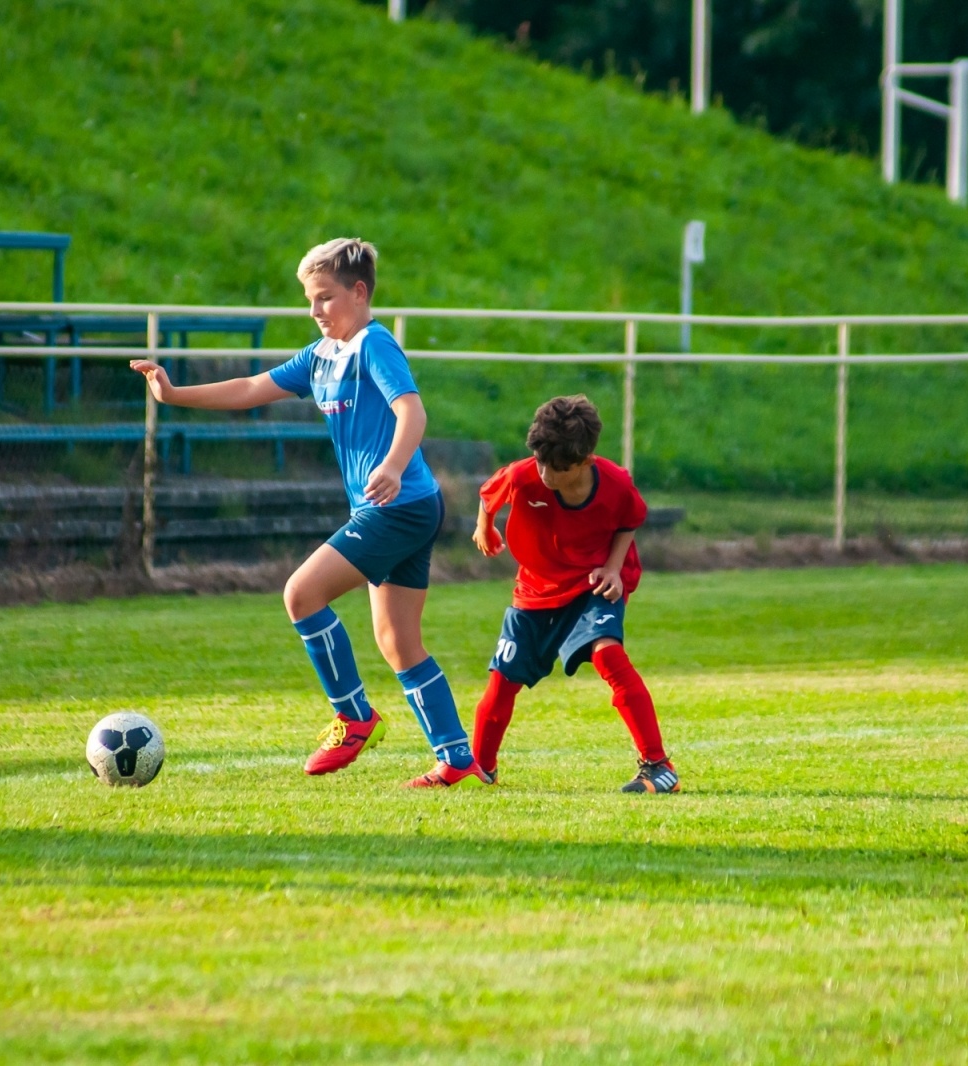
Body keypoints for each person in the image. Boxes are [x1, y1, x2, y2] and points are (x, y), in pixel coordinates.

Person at [129, 238, 490, 787]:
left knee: (301, 593)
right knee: (399, 642)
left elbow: (411, 411)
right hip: (408, 506)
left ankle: (354, 716)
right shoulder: (321, 357)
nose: (316, 310)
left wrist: (392, 465)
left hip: (397, 504)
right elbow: (253, 386)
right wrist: (174, 394)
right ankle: (456, 757)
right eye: (310, 300)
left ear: (359, 292)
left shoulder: (374, 344)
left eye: (325, 297)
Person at [470, 395, 679, 793]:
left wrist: (614, 568)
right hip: (535, 588)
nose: (546, 473)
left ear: (585, 461)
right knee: (501, 681)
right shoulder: (522, 476)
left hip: (593, 583)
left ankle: (658, 767)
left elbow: (629, 520)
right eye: (541, 461)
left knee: (607, 653)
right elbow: (488, 494)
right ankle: (480, 769)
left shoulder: (615, 483)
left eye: (558, 467)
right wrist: (486, 527)